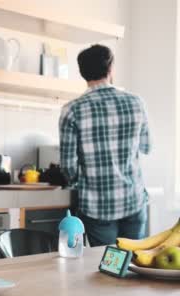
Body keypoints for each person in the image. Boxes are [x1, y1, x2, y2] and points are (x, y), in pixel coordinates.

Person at [59, 44, 151, 247]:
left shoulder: (72, 110)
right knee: (135, 265)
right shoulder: (136, 103)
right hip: (133, 199)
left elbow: (68, 167)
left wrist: (77, 179)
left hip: (97, 205)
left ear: (83, 73)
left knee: (106, 265)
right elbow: (146, 146)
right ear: (111, 69)